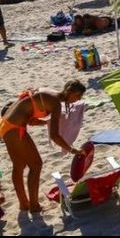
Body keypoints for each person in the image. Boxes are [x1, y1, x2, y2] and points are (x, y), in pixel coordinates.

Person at [0, 80, 87, 212]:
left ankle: (24, 204)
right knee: (36, 165)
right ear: (69, 91)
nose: (78, 99)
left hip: (6, 124)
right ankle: (34, 206)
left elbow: (31, 119)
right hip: (15, 128)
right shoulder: (56, 104)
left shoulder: (49, 93)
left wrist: (46, 123)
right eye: (78, 95)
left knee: (19, 166)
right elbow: (55, 136)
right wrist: (72, 149)